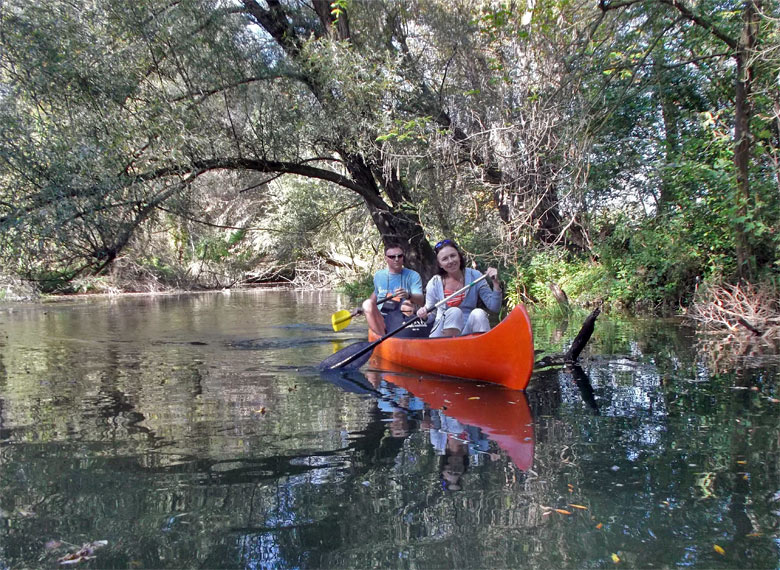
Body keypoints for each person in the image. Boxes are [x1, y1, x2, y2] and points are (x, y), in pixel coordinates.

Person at [416, 239, 502, 337]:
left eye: (453, 256)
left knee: (479, 313)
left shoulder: (475, 276)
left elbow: (495, 307)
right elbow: (431, 317)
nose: (450, 261)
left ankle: (482, 349)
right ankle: (450, 349)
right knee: (454, 311)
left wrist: (495, 283)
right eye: (445, 259)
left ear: (459, 257)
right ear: (440, 264)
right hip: (441, 335)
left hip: (466, 332)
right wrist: (424, 316)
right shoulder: (434, 283)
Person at [362, 243, 425, 336]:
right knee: (367, 304)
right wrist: (363, 308)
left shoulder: (413, 275)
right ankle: (382, 339)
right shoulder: (378, 275)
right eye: (392, 257)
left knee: (406, 305)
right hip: (381, 317)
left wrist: (408, 295)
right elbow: (376, 293)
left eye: (399, 256)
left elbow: (421, 300)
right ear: (386, 259)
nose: (396, 259)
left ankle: (394, 338)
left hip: (402, 316)